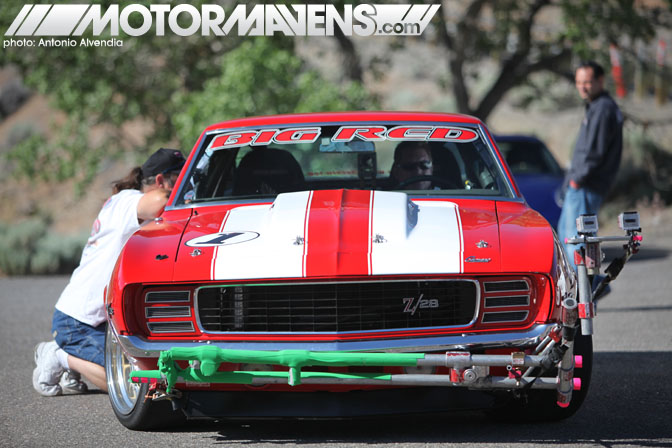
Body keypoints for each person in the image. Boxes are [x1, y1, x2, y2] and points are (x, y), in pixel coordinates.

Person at [33, 148, 186, 396]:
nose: (188, 184)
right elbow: (161, 201)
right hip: (78, 321)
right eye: (183, 177)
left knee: (155, 375)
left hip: (106, 321)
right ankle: (60, 355)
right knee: (133, 385)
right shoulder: (126, 201)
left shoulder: (131, 205)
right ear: (161, 180)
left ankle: (74, 359)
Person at [557, 61, 624, 269]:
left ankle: (587, 292)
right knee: (567, 238)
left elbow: (594, 152)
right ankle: (587, 289)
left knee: (576, 243)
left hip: (586, 186)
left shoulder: (603, 109)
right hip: (581, 185)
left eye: (587, 82)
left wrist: (577, 181)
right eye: (578, 82)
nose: (582, 87)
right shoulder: (596, 106)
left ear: (600, 81)